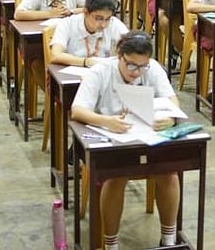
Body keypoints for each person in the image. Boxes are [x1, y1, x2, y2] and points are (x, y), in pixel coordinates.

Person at [70, 31, 180, 249]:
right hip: (111, 141)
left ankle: (169, 240)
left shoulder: (152, 69)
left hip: (146, 138)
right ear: (119, 55)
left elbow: (172, 102)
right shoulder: (100, 72)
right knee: (116, 177)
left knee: (168, 173)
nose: (136, 72)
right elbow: (77, 110)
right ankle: (111, 243)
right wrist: (106, 121)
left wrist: (170, 118)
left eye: (142, 67)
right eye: (131, 65)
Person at [50, 0, 128, 67]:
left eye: (107, 19)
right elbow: (55, 55)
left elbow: (131, 50)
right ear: (85, 12)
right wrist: (86, 62)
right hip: (75, 72)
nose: (103, 25)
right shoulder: (67, 24)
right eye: (99, 18)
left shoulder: (114, 23)